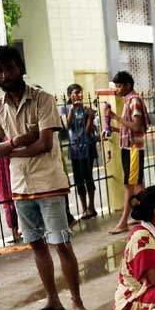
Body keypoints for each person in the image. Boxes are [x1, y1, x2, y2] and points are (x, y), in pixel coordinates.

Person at [0, 46, 86, 310]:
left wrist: (7, 150)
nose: (5, 75)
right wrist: (17, 141)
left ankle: (76, 300)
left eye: (10, 68)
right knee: (37, 245)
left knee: (62, 244)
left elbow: (44, 144)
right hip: (20, 186)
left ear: (20, 67)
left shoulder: (43, 99)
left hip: (49, 183)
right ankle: (53, 301)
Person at [106, 71, 149, 234]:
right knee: (137, 184)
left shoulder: (134, 101)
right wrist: (112, 128)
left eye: (118, 86)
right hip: (131, 147)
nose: (116, 89)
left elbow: (137, 126)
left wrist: (115, 116)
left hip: (133, 149)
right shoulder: (128, 101)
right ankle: (141, 215)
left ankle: (123, 221)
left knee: (129, 185)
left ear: (127, 85)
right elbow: (129, 127)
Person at [61, 84, 98, 220]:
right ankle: (84, 209)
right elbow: (68, 126)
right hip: (75, 148)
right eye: (76, 93)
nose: (79, 96)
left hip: (87, 147)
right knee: (78, 179)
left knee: (89, 178)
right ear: (70, 95)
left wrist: (89, 117)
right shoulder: (65, 108)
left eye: (80, 93)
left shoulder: (87, 109)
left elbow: (88, 131)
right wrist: (72, 109)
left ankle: (91, 207)